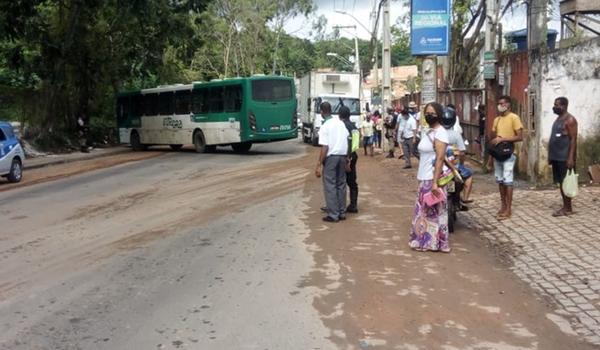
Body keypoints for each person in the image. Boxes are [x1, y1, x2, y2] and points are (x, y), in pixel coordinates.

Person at [409, 102, 451, 253]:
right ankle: (424, 241)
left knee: (432, 212)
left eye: (432, 113)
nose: (429, 115)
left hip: (432, 177)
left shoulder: (441, 133)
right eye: (427, 112)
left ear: (439, 114)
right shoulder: (428, 131)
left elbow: (440, 158)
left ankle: (433, 243)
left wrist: (435, 183)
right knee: (424, 212)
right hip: (423, 175)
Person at [490, 95, 524, 220]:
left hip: (509, 153)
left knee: (508, 180)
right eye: (499, 103)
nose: (500, 106)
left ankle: (508, 208)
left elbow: (519, 137)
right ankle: (503, 205)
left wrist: (503, 139)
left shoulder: (514, 118)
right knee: (500, 180)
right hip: (497, 153)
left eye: (503, 103)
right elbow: (493, 138)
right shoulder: (497, 120)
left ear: (508, 105)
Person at [315, 101, 350, 222]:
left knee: (330, 184)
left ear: (321, 112)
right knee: (341, 184)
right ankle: (341, 212)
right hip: (342, 156)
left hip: (331, 157)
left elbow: (324, 147)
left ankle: (333, 214)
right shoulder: (340, 123)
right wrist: (347, 159)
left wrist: (319, 163)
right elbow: (347, 139)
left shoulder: (325, 126)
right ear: (331, 110)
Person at [548, 96, 578, 217]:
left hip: (564, 157)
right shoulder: (558, 119)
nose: (554, 107)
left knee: (566, 182)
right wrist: (550, 156)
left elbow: (573, 139)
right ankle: (565, 205)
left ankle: (567, 207)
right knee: (561, 182)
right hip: (556, 156)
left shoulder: (570, 120)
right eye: (554, 105)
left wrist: (570, 158)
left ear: (564, 106)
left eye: (557, 105)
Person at [442, 105, 474, 205]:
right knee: (469, 176)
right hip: (454, 166)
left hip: (439, 166)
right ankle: (465, 198)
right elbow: (462, 152)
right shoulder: (456, 135)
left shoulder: (437, 133)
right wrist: (462, 163)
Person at [340, 106, 360, 213]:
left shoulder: (341, 126)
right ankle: (353, 205)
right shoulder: (354, 127)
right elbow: (356, 145)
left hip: (344, 157)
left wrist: (347, 159)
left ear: (339, 115)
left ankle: (339, 205)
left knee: (340, 182)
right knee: (352, 182)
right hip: (353, 156)